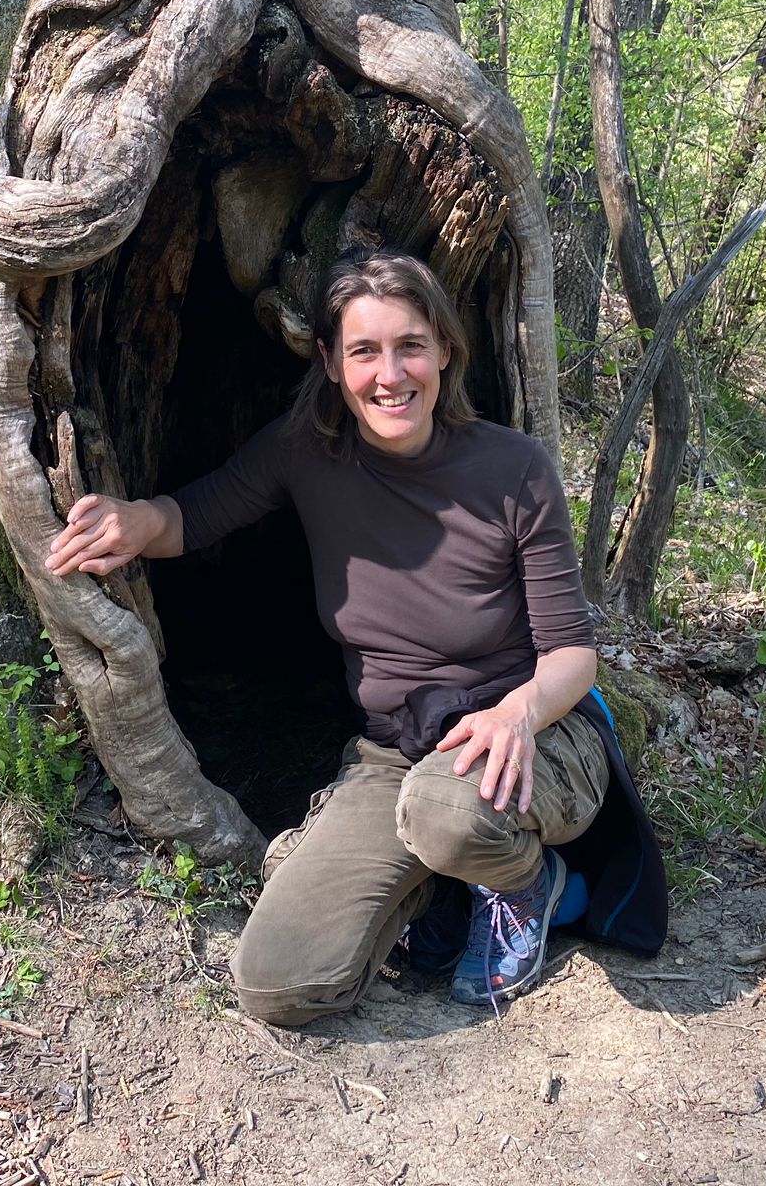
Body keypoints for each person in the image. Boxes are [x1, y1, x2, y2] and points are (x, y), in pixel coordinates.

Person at [45, 246, 665, 1025]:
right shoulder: (307, 450)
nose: (390, 374)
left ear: (445, 350)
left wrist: (520, 714)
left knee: (447, 812)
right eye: (365, 351)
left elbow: (573, 653)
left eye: (410, 345)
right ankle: (442, 884)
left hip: (530, 737)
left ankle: (530, 885)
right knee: (275, 980)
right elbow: (194, 515)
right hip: (395, 750)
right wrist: (131, 521)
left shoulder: (516, 469)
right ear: (333, 365)